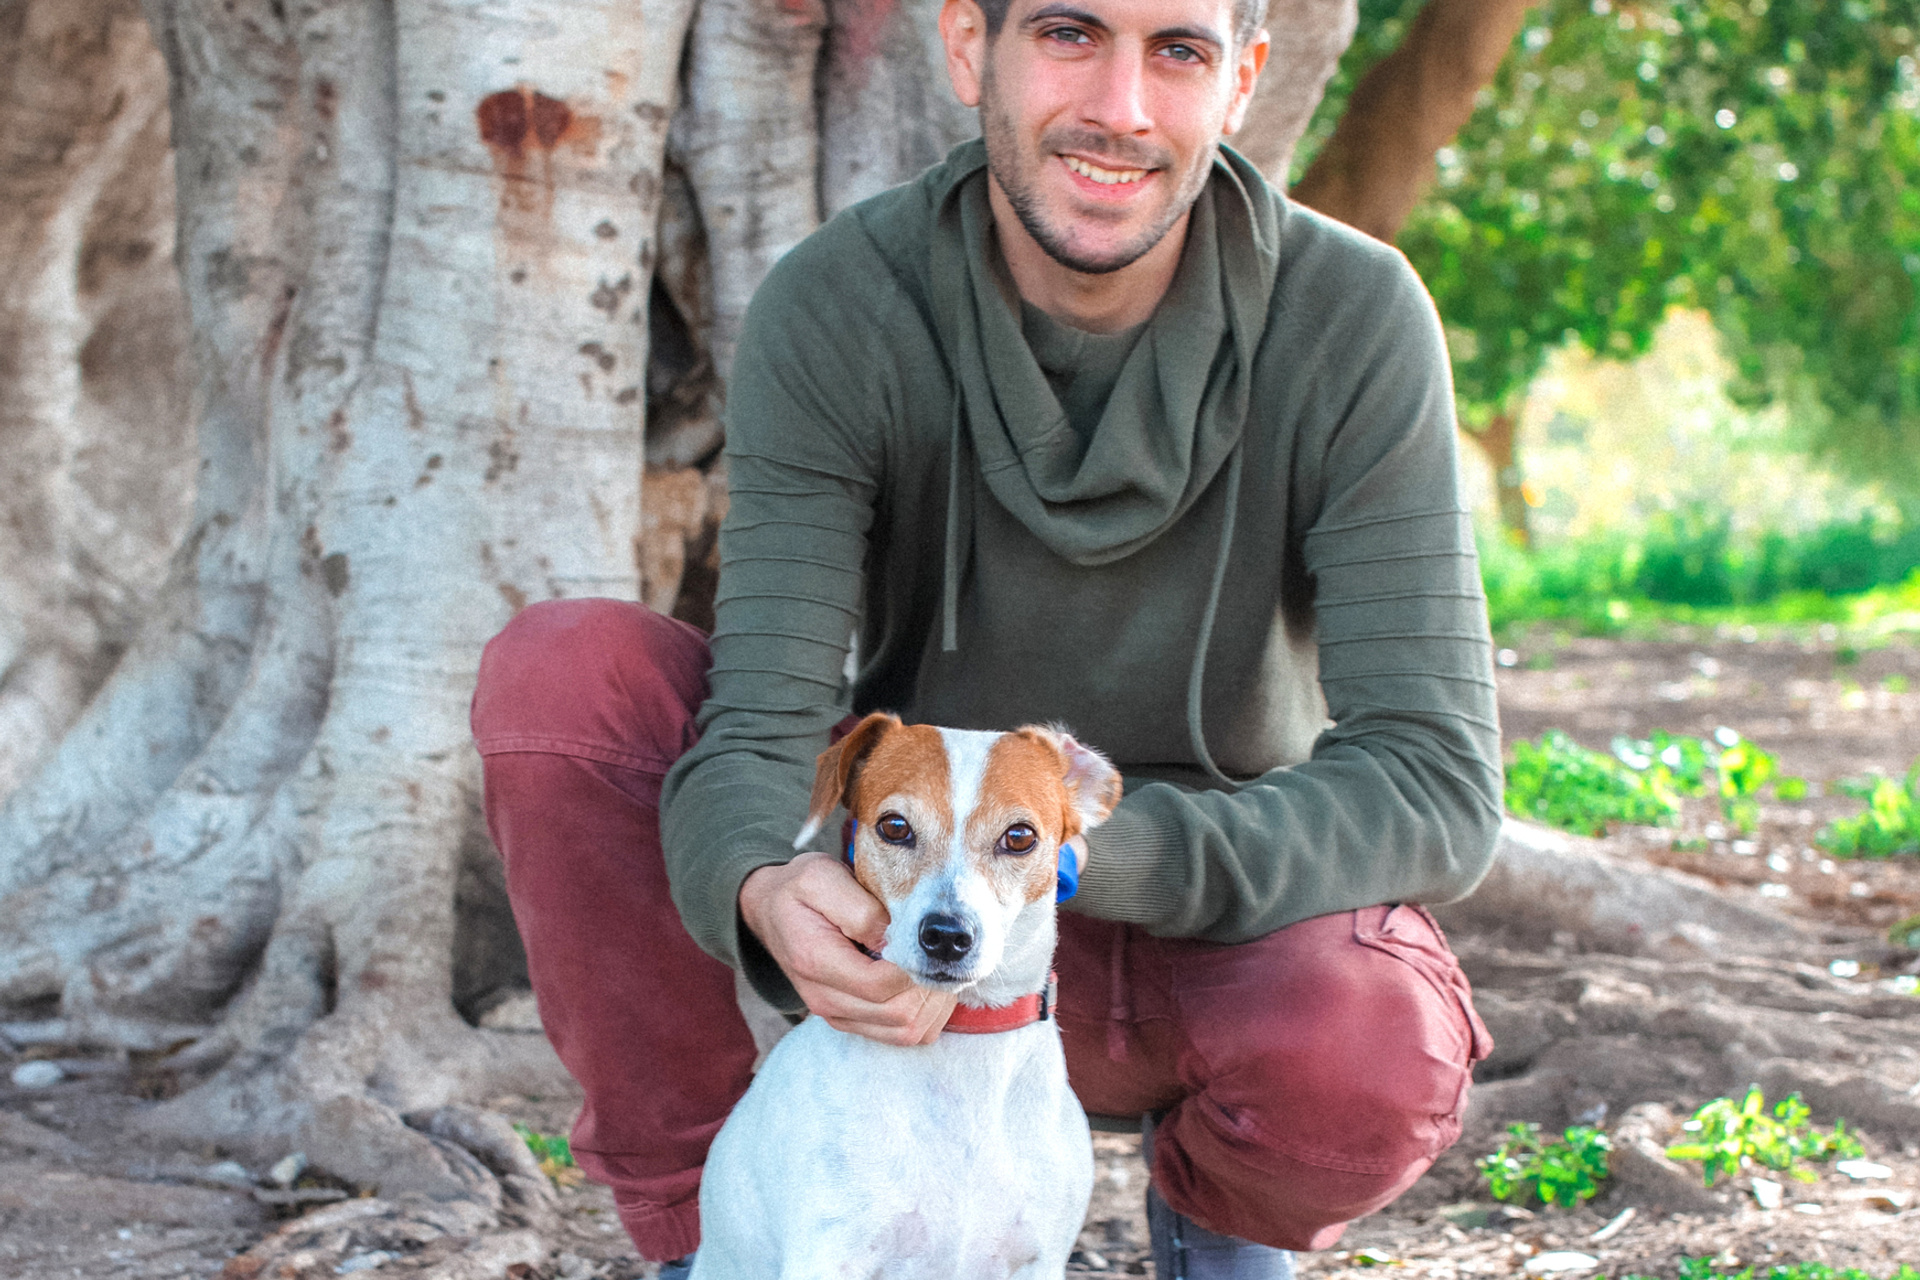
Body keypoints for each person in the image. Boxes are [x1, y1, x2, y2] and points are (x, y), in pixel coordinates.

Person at [470, 0, 1501, 1274]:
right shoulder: (842, 301)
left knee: (1373, 1042)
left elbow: (1439, 781)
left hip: (1192, 940)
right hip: (903, 917)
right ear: (967, 46)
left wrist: (1057, 857)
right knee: (566, 681)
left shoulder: (1351, 317)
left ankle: (1225, 1228)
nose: (1121, 107)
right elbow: (762, 719)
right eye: (1070, 32)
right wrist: (766, 883)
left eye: (1177, 50)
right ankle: (713, 1227)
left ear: (1244, 81)